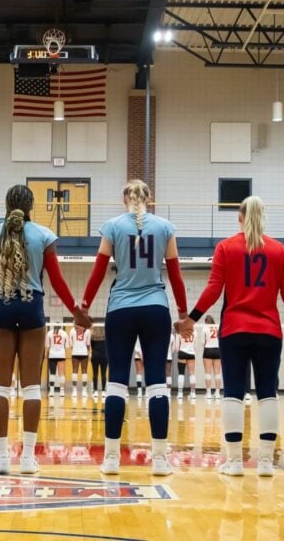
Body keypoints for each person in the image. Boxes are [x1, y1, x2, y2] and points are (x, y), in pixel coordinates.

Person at [175, 196, 284, 477]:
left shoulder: (226, 248)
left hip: (234, 330)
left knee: (234, 394)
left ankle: (235, 461)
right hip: (269, 331)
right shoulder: (280, 251)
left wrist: (191, 319)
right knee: (268, 394)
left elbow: (214, 288)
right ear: (264, 216)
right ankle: (265, 463)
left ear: (239, 216)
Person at [0, 184, 91, 475]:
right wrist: (76, 312)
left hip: (3, 308)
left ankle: (2, 458)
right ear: (31, 206)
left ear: (6, 204)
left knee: (0, 386)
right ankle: (29, 458)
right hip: (32, 309)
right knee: (31, 386)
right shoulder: (43, 236)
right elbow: (56, 279)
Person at [81, 180, 188, 477]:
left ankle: (112, 458)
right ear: (149, 199)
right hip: (156, 308)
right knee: (156, 383)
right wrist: (184, 314)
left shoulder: (112, 226)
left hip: (120, 309)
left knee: (116, 382)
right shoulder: (165, 227)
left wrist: (84, 306)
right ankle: (160, 460)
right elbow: (176, 276)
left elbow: (98, 270)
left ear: (124, 198)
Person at [201, 315, 221, 400]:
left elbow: (202, 342)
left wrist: (206, 345)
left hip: (208, 350)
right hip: (217, 350)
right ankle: (217, 394)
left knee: (208, 373)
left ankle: (208, 393)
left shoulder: (204, 328)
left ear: (206, 321)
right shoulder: (218, 326)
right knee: (217, 372)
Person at [47, 324, 69, 398]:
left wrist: (47, 355)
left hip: (52, 355)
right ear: (61, 326)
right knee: (61, 374)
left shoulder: (49, 333)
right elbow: (67, 346)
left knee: (52, 373)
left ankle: (52, 391)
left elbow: (47, 345)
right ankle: (62, 391)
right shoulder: (65, 333)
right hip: (61, 355)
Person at [70, 323, 91, 400]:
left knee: (74, 371)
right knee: (84, 371)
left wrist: (75, 347)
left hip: (75, 352)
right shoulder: (87, 331)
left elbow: (71, 343)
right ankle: (84, 391)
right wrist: (88, 351)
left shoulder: (72, 330)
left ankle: (74, 391)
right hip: (84, 353)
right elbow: (88, 344)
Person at [176, 325, 197, 402]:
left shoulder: (180, 331)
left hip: (182, 352)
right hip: (191, 353)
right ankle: (193, 393)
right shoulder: (195, 331)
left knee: (181, 374)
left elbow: (177, 346)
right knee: (192, 373)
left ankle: (180, 394)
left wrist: (180, 352)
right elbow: (195, 345)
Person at [89, 326, 108, 400]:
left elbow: (92, 346)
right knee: (103, 373)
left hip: (95, 355)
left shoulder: (93, 337)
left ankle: (95, 391)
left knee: (95, 373)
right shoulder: (106, 337)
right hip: (104, 356)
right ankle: (103, 391)